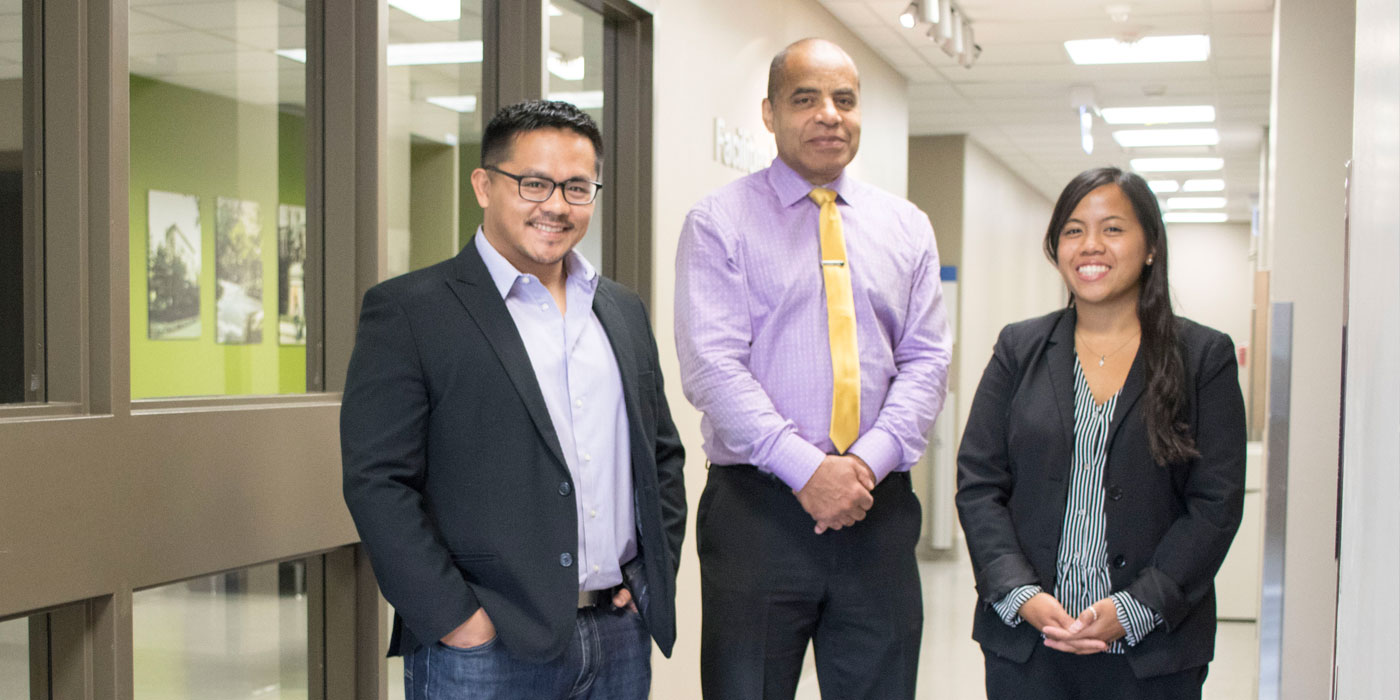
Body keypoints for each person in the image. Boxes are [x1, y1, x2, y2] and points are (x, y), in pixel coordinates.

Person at [341, 100, 686, 700]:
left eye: (577, 187)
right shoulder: (410, 311)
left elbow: (661, 457)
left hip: (617, 638)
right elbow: (377, 481)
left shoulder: (622, 310)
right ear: (483, 185)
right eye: (534, 183)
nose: (556, 205)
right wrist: (456, 620)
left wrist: (651, 576)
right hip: (486, 651)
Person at [675, 38, 951, 699]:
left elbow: (927, 360)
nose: (829, 114)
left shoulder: (906, 227)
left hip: (876, 511)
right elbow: (713, 366)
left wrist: (863, 465)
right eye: (806, 99)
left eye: (845, 100)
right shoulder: (719, 223)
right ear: (769, 114)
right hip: (759, 514)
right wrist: (807, 469)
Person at [955, 166, 1246, 699]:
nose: (1091, 245)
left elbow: (1216, 503)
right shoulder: (1020, 350)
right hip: (1027, 643)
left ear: (1151, 247)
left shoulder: (1203, 357)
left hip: (1152, 652)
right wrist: (1019, 594)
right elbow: (979, 483)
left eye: (1113, 228)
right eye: (1072, 230)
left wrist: (1134, 609)